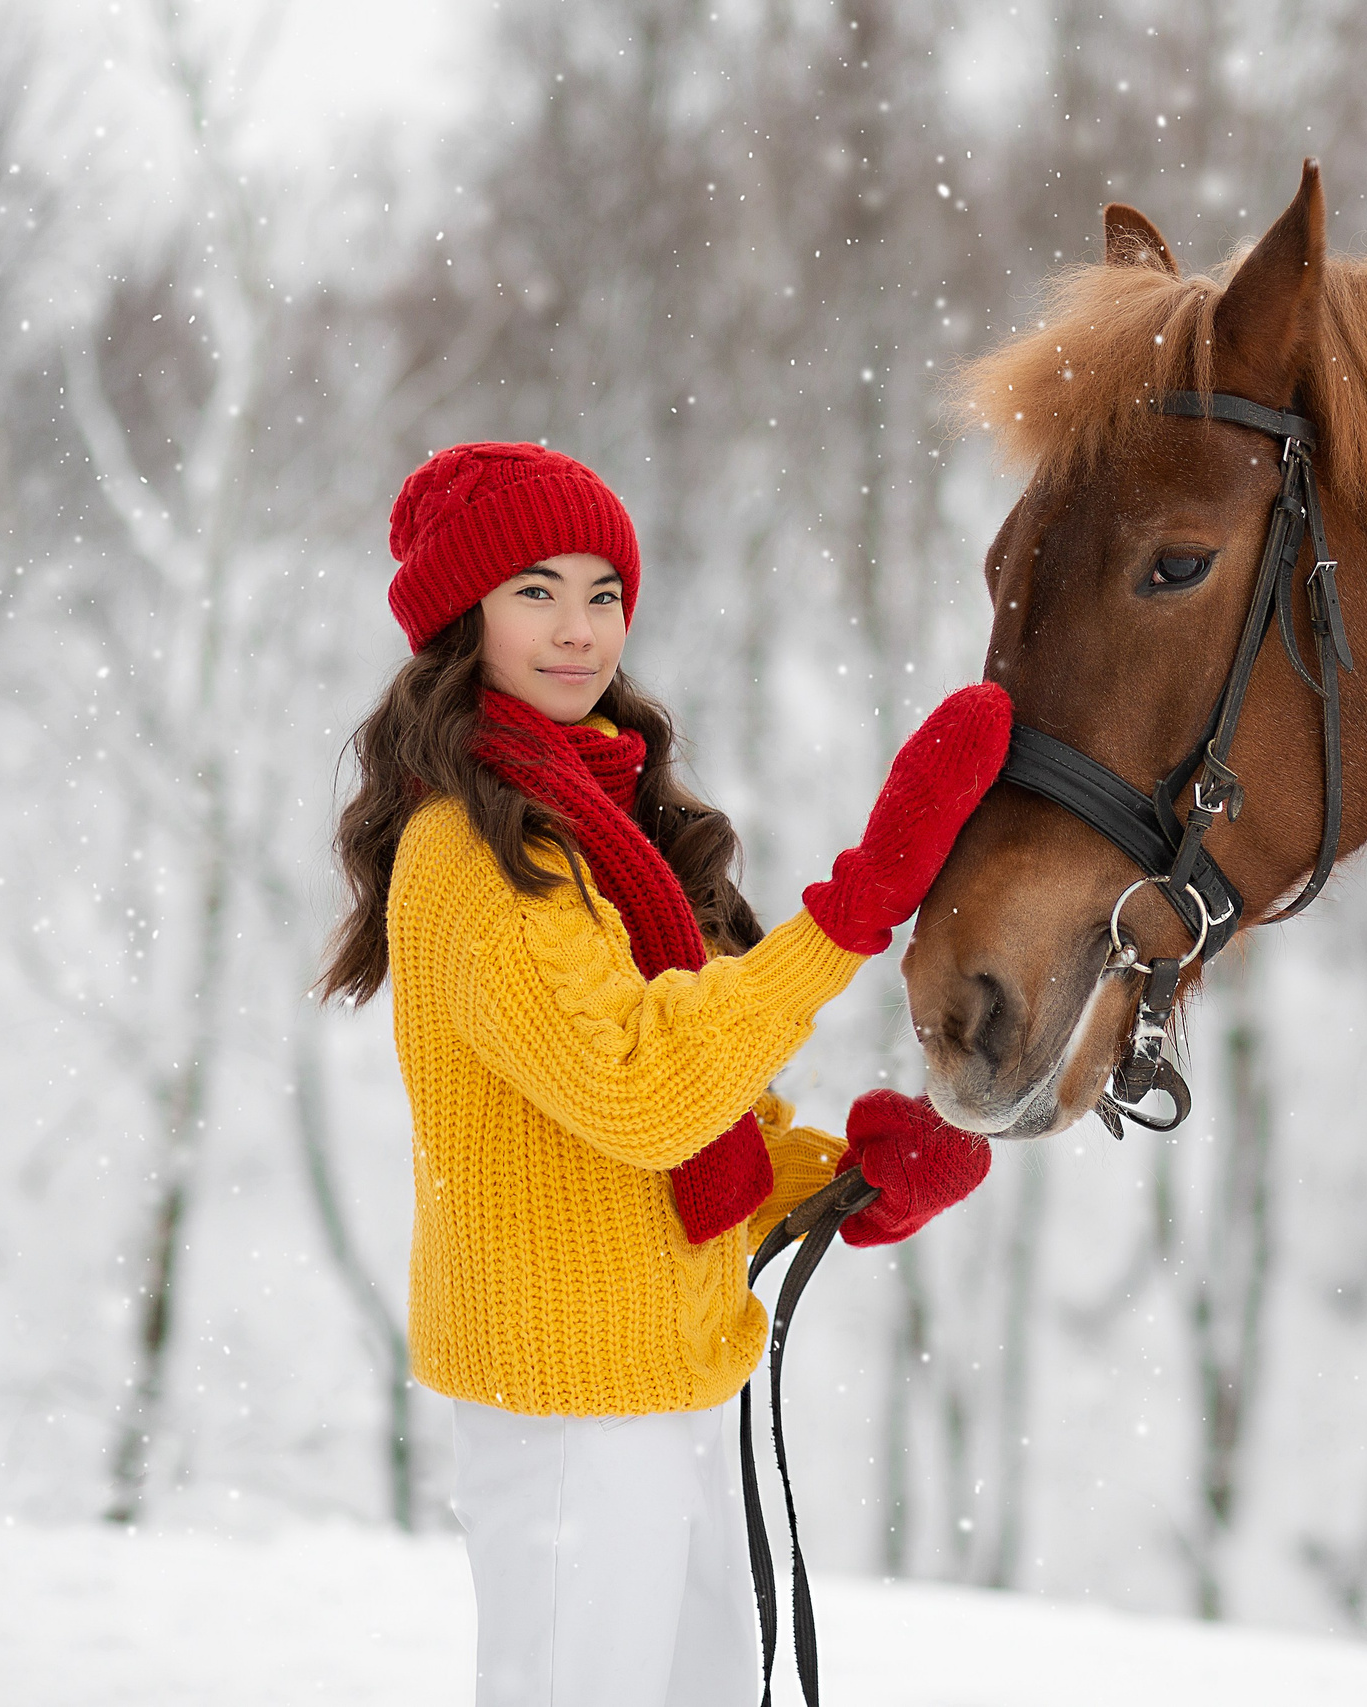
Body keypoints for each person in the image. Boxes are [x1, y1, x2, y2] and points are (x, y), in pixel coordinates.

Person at [318, 441, 1007, 1705]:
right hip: (571, 1398)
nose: (578, 630)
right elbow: (638, 1090)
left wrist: (840, 1180)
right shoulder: (472, 850)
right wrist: (851, 914)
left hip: (667, 1376)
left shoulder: (601, 821)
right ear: (460, 618)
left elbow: (684, 1120)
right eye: (534, 591)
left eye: (603, 593)